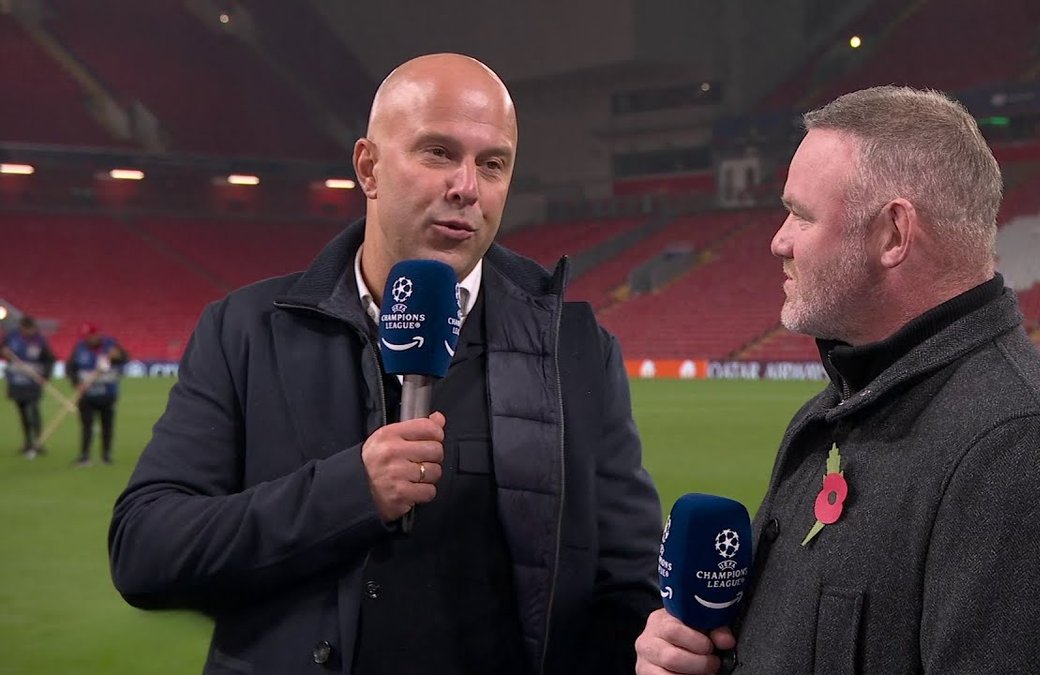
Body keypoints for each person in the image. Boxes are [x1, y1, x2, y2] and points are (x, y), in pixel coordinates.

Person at [108, 53, 662, 675]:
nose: (467, 187)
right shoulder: (244, 330)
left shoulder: (574, 346)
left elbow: (629, 584)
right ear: (368, 168)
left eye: (493, 164)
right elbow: (145, 551)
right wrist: (351, 491)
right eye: (438, 153)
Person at [635, 86, 1040, 674]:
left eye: (802, 215)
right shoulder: (836, 411)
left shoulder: (1026, 453)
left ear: (893, 234)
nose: (778, 240)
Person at [66, 322, 128, 466]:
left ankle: (106, 456)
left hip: (108, 394)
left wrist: (118, 356)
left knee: (107, 426)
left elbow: (124, 358)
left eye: (91, 335)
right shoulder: (80, 347)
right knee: (86, 426)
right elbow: (70, 368)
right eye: (86, 336)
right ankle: (85, 456)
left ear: (97, 334)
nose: (89, 339)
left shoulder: (110, 345)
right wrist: (76, 383)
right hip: (87, 395)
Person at [3, 315, 57, 458]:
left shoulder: (40, 341)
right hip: (16, 382)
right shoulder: (12, 338)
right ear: (21, 328)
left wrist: (45, 376)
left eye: (30, 329)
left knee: (33, 411)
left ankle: (38, 442)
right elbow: (3, 350)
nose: (28, 332)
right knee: (22, 413)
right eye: (25, 329)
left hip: (33, 382)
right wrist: (4, 352)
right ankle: (27, 442)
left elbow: (49, 360)